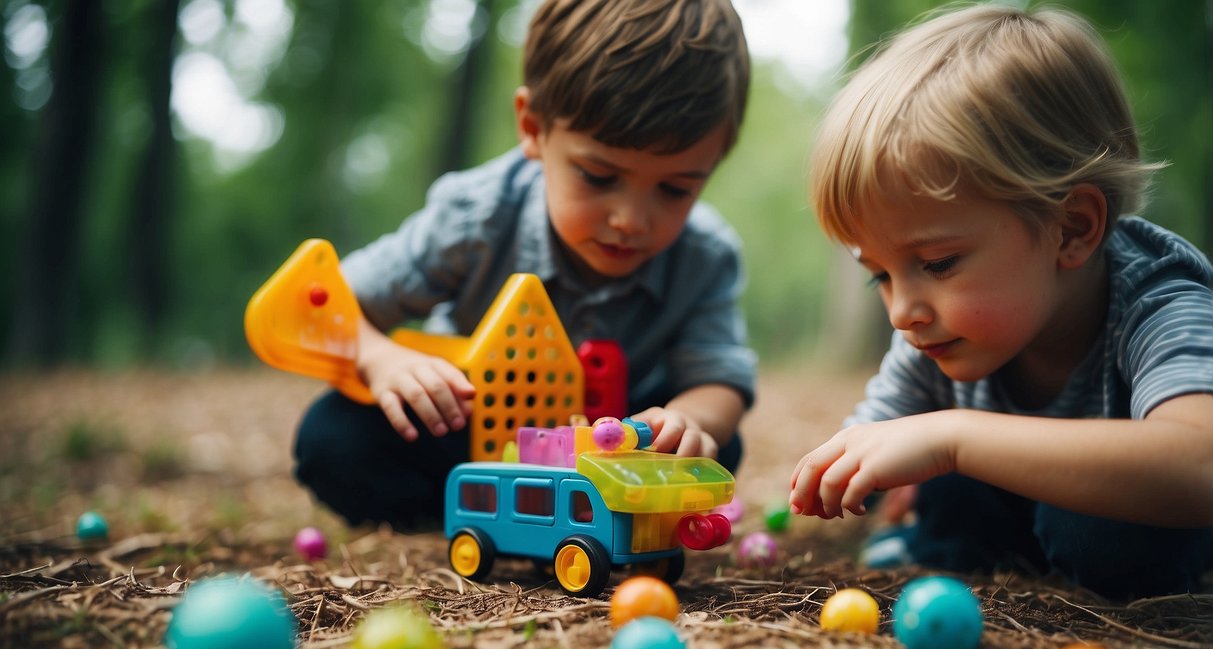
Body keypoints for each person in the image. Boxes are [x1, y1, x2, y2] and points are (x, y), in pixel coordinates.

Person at [789, 4, 1213, 599]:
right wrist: (853, 472)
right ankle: (941, 547)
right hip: (1011, 522)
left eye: (937, 264)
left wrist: (954, 437)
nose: (901, 311)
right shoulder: (934, 327)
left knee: (1096, 524)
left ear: (1070, 228)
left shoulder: (1158, 303)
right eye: (879, 275)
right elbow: (872, 437)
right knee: (949, 491)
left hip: (1134, 526)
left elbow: (1200, 463)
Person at [294, 0, 755, 530]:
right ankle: (459, 517)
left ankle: (601, 519)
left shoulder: (706, 254)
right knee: (332, 440)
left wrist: (688, 421)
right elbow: (331, 301)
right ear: (533, 128)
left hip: (612, 448)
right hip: (470, 428)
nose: (631, 219)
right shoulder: (476, 216)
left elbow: (719, 378)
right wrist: (381, 360)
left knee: (718, 443)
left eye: (675, 189)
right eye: (598, 177)